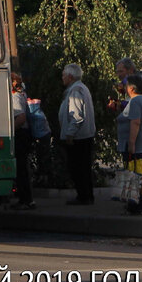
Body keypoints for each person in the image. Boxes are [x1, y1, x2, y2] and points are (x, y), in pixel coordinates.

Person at [117, 74, 142, 215]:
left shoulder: (135, 102)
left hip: (137, 146)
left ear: (132, 88)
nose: (125, 88)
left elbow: (135, 122)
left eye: (127, 86)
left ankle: (135, 205)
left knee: (134, 175)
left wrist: (131, 143)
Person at [59, 63, 96, 205]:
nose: (62, 78)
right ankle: (87, 195)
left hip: (78, 137)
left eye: (63, 75)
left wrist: (70, 134)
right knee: (84, 167)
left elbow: (76, 115)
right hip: (84, 135)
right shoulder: (81, 88)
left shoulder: (75, 90)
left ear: (70, 76)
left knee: (78, 167)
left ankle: (83, 196)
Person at [10, 72, 35, 210]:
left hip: (20, 134)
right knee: (23, 167)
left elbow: (20, 118)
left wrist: (10, 132)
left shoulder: (15, 96)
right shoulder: (22, 94)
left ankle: (25, 200)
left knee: (21, 168)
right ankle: (26, 199)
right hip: (25, 133)